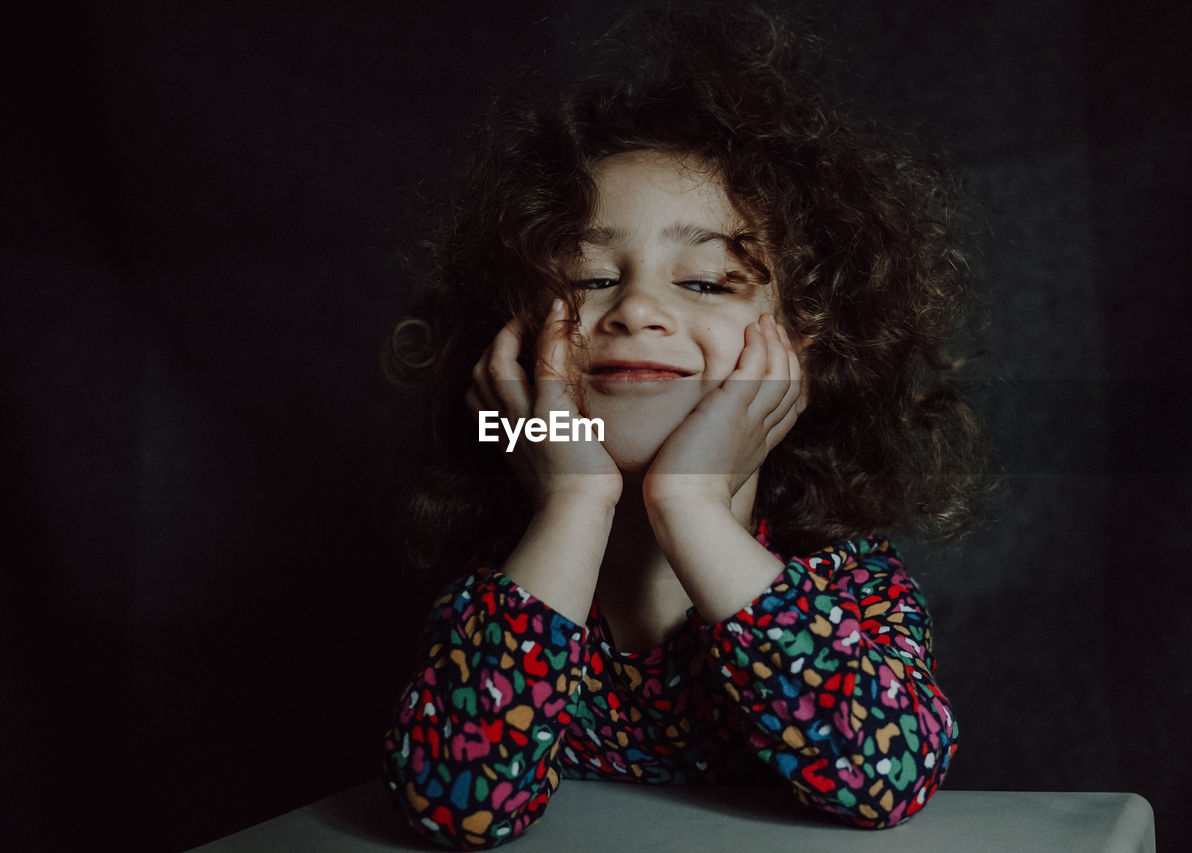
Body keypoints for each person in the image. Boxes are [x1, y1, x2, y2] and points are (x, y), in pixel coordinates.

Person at [382, 7, 984, 849]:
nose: (635, 309)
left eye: (704, 281)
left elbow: (887, 782)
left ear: (804, 348)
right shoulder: (505, 590)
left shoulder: (851, 587)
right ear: (513, 349)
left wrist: (692, 503)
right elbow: (456, 803)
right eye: (589, 275)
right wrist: (575, 503)